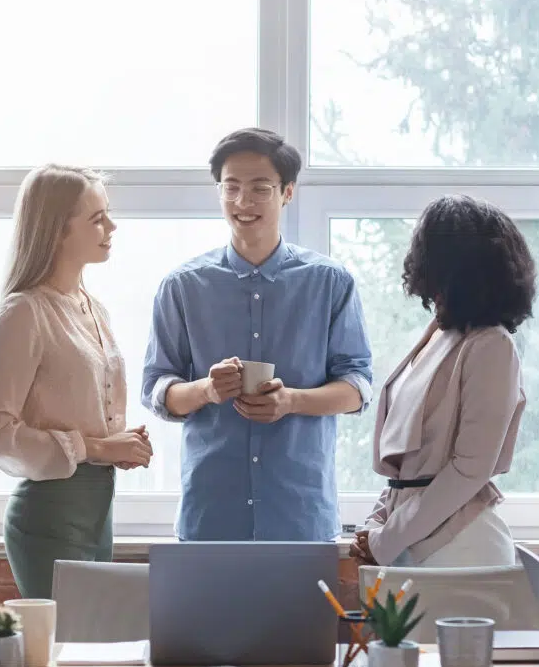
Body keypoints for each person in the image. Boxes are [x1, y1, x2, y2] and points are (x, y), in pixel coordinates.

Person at [142, 127, 372, 542]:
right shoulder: (183, 286)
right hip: (211, 514)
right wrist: (207, 390)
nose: (242, 202)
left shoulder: (330, 282)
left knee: (299, 612)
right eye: (230, 188)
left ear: (287, 192)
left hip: (300, 516)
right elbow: (158, 391)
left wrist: (292, 401)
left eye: (259, 189)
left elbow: (357, 387)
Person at [0, 165, 152, 598]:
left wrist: (120, 443)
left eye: (107, 214)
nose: (111, 226)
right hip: (49, 518)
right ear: (57, 230)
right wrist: (97, 448)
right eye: (97, 218)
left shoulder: (94, 308)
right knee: (60, 655)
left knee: (90, 655)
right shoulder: (24, 312)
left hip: (97, 511)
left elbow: (82, 411)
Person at [351, 195, 534, 568]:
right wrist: (377, 523)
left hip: (461, 545)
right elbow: (409, 470)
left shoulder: (492, 344)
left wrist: (386, 538)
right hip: (414, 540)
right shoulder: (441, 333)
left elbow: (470, 470)